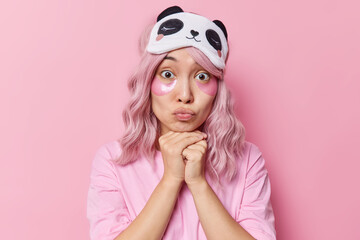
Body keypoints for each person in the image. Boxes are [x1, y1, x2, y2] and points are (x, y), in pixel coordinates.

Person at [86, 5, 276, 240]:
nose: (185, 95)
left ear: (218, 90)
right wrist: (170, 180)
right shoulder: (114, 161)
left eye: (202, 76)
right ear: (147, 82)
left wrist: (198, 184)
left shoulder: (247, 161)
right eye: (168, 74)